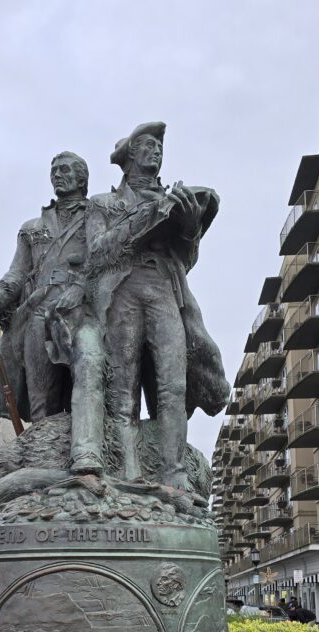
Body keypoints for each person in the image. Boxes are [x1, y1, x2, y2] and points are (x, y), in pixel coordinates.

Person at [85, 121, 230, 489]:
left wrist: (189, 228)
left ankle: (174, 472)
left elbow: (186, 261)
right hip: (122, 292)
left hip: (165, 290)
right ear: (130, 155)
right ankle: (127, 472)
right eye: (148, 145)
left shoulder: (171, 197)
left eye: (159, 147)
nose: (157, 151)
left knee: (173, 386)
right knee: (123, 390)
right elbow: (96, 254)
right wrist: (143, 221)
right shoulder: (103, 204)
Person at [0, 152, 104, 475]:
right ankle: (43, 464)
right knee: (42, 399)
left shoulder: (98, 218)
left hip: (82, 311)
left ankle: (87, 452)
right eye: (54, 170)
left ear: (82, 178)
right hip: (39, 312)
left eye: (66, 169)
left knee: (87, 383)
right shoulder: (32, 228)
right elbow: (16, 274)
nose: (58, 174)